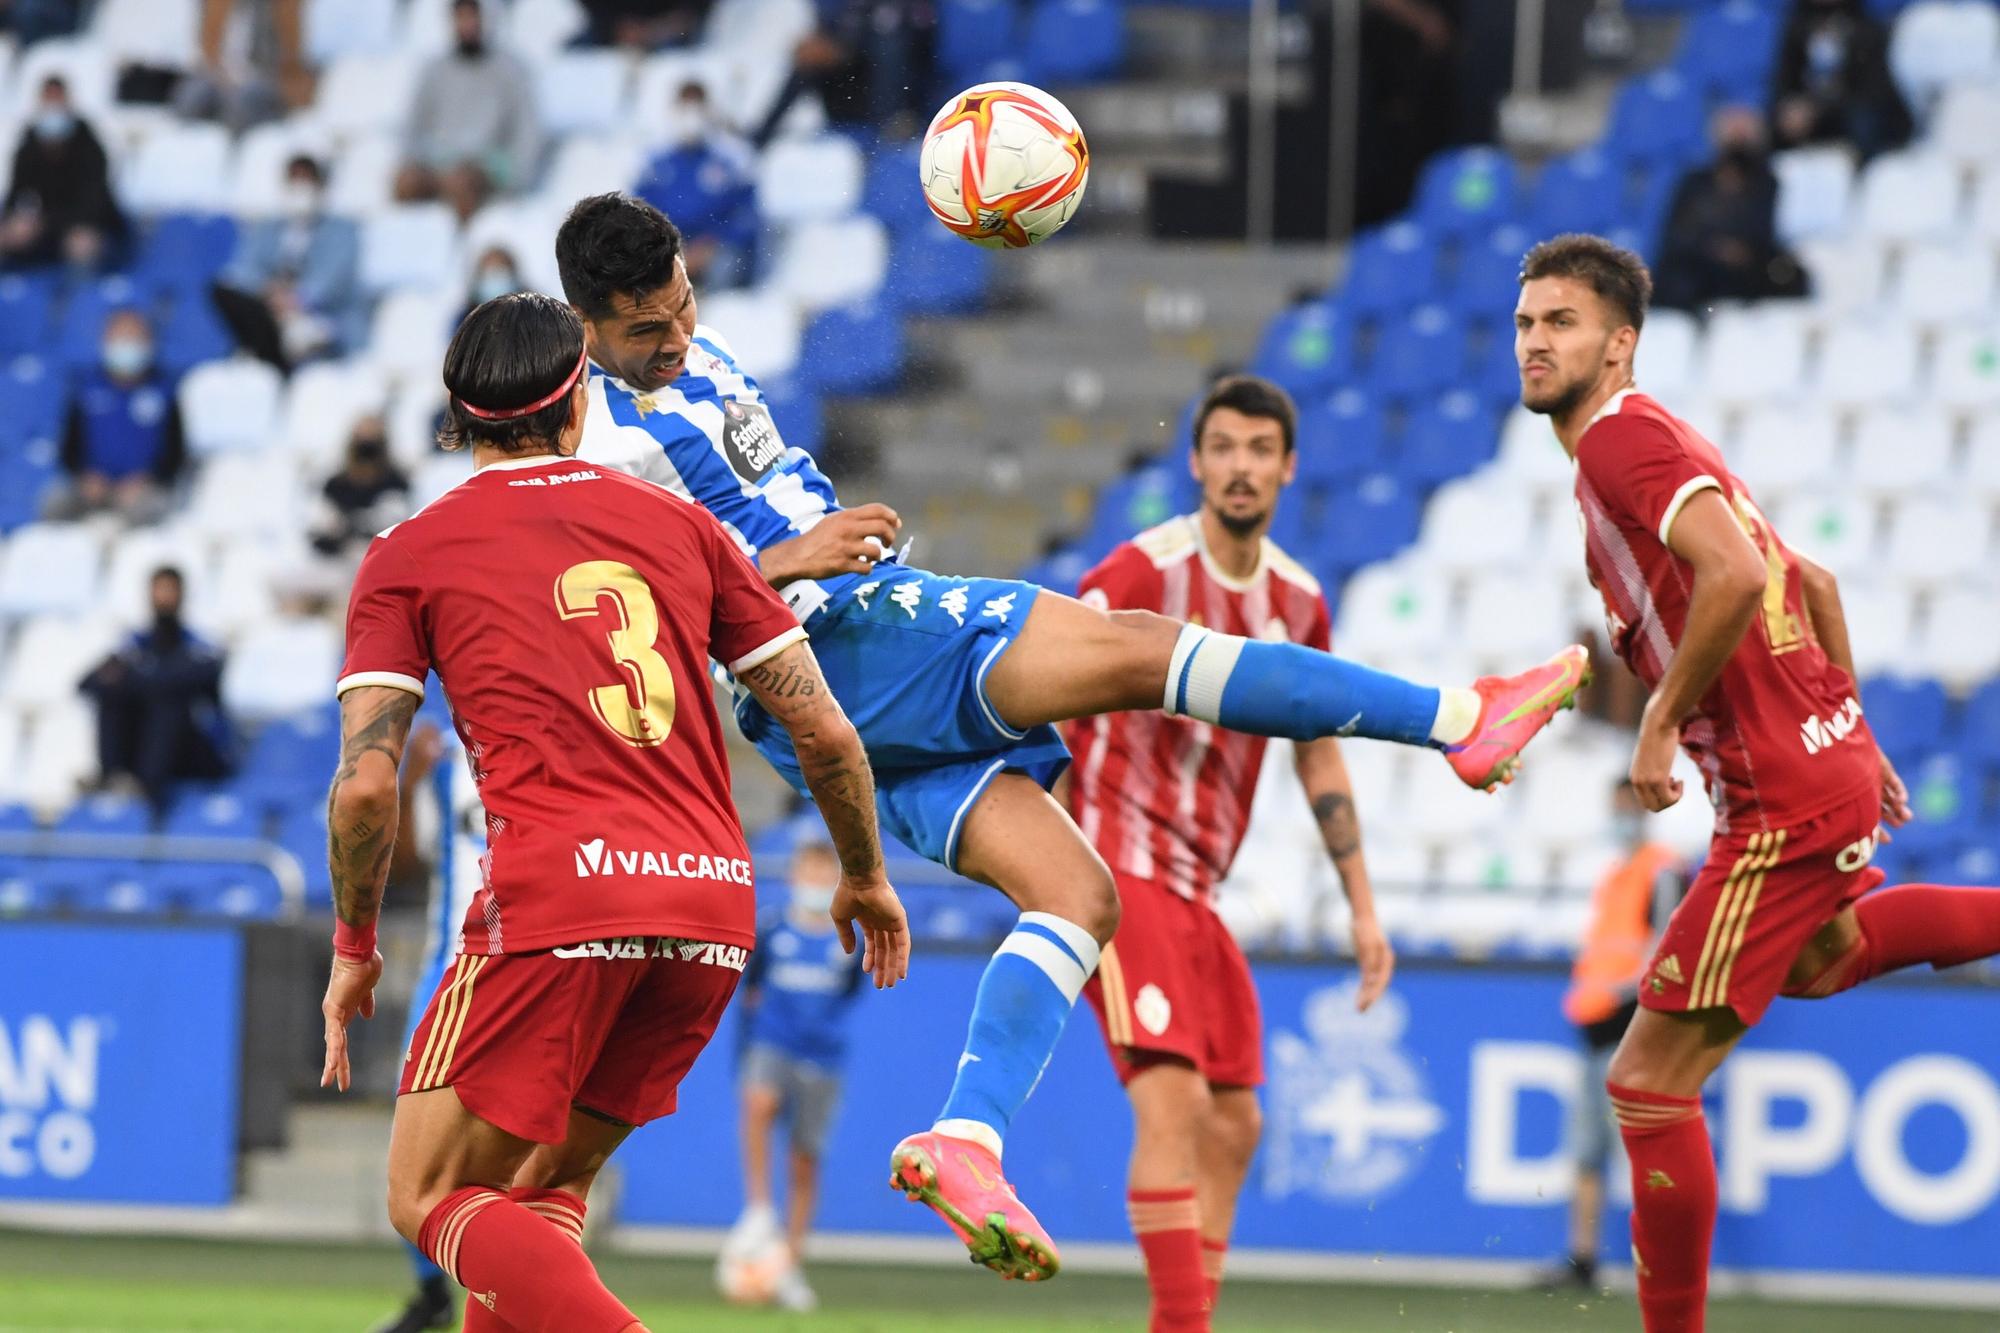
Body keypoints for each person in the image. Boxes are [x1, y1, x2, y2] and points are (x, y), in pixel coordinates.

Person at [557, 191, 1589, 1280]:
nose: (674, 340)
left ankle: (964, 1137)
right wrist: (788, 560)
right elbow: (635, 608)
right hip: (844, 640)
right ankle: (1462, 721)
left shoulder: (694, 351)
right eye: (644, 331)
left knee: (1078, 897)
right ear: (585, 325)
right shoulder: (593, 441)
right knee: (1143, 647)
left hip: (836, 693)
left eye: (680, 308)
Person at [318, 292, 910, 1333]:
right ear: (580, 396)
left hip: (556, 904)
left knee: (428, 1197)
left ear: (456, 417)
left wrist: (356, 941)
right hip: (711, 910)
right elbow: (825, 734)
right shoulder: (685, 526)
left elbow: (367, 783)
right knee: (536, 1198)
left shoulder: (409, 551)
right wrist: (863, 874)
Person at [1513, 232, 2000, 1332]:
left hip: (1776, 797)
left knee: (1643, 1085)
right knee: (1824, 959)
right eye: (1526, 324)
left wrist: (1658, 720)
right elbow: (1809, 578)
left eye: (1562, 324)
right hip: (1809, 763)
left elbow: (1737, 572)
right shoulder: (1657, 440)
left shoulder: (1614, 445)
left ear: (1618, 345)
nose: (1536, 343)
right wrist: (1852, 733)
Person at [1060, 374, 1392, 1333]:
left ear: (1287, 467)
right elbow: (1049, 688)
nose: (1240, 467)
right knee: (1174, 1100)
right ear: (1196, 461)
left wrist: (1363, 904)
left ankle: (1184, 1316)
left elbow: (1318, 744)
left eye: (1259, 450)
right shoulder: (1137, 573)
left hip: (1201, 887)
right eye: (1223, 448)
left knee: (1238, 1119)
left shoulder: (1297, 601)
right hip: (1117, 869)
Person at [1539, 779, 1686, 1295]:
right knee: (1588, 1149)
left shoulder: (1662, 869)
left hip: (1632, 1026)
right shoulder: (1616, 874)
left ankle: (1666, 1264)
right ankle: (1583, 1260)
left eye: (1628, 807)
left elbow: (1666, 947)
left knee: (1647, 1153)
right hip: (1595, 1022)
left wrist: (1632, 1001)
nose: (1622, 816)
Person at [717, 815, 864, 1313]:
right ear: (795, 873)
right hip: (771, 1041)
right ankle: (758, 1209)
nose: (814, 880)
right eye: (807, 869)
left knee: (804, 1161)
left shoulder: (848, 941)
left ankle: (790, 1262)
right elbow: (749, 990)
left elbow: (849, 993)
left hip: (822, 1054)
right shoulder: (772, 928)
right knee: (758, 1102)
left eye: (824, 872)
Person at [372, 718, 478, 1333]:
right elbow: (408, 865)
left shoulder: (556, 739)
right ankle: (433, 1293)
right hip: (447, 972)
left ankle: (516, 1300)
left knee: (530, 1153)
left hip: (529, 967)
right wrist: (408, 784)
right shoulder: (446, 761)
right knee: (412, 1146)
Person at [78, 566, 234, 808]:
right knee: (113, 700)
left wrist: (133, 678)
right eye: (158, 590)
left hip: (194, 751)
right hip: (142, 745)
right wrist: (137, 678)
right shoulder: (132, 645)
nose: (164, 597)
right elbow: (88, 683)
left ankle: (148, 789)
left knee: (167, 703)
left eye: (170, 590)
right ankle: (113, 777)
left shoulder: (200, 647)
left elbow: (191, 679)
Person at [395, 0, 544, 224]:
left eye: (473, 17)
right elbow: (412, 128)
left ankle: (464, 249)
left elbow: (527, 133)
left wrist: (515, 179)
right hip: (439, 164)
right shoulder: (434, 70)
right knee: (405, 183)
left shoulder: (511, 70)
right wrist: (416, 162)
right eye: (461, 18)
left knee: (461, 183)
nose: (468, 25)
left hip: (487, 165)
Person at [211, 154, 365, 369]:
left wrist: (297, 299)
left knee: (308, 329)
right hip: (273, 314)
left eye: (307, 182)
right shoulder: (267, 228)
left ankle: (299, 344)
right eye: (294, 182)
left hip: (321, 316)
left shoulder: (343, 230)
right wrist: (268, 291)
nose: (300, 189)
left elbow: (333, 278)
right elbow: (242, 269)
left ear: (320, 187)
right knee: (223, 290)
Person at [1652, 107, 1806, 314]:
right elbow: (1678, 231)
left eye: (1743, 135)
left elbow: (1766, 229)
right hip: (1700, 262)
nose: (1738, 141)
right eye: (1733, 134)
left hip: (1749, 265)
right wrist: (1713, 246)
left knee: (1788, 275)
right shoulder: (1695, 182)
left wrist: (1742, 251)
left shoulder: (1767, 183)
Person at [45, 309, 185, 522]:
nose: (126, 345)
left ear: (149, 343)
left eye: (134, 338)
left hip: (143, 491)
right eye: (120, 338)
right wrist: (86, 478)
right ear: (105, 341)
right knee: (54, 503)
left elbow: (176, 454)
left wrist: (149, 479)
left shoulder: (166, 390)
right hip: (91, 487)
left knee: (152, 509)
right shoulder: (85, 388)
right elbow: (68, 449)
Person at [634, 81, 757, 289]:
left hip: (717, 250)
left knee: (725, 267)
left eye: (696, 109)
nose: (691, 117)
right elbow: (638, 216)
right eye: (684, 109)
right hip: (669, 252)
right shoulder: (655, 163)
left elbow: (747, 215)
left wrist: (711, 243)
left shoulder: (733, 160)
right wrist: (672, 250)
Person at [0, 76, 125, 271]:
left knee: (81, 243)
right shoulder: (30, 144)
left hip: (86, 223)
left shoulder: (89, 145)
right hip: (44, 226)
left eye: (57, 101)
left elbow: (94, 204)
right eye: (48, 101)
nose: (53, 109)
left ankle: (81, 298)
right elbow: (16, 192)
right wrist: (17, 221)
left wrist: (45, 222)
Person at [1771, 0, 1910, 163]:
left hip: (1849, 122)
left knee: (1864, 121)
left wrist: (1818, 111)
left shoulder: (1866, 27)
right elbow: (1783, 80)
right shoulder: (1795, 25)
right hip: (1804, 123)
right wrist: (1789, 108)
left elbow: (1873, 93)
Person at [309, 418, 412, 560]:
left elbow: (392, 526)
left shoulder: (395, 483)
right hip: (336, 560)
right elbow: (321, 529)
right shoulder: (336, 484)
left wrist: (353, 524)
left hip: (377, 558)